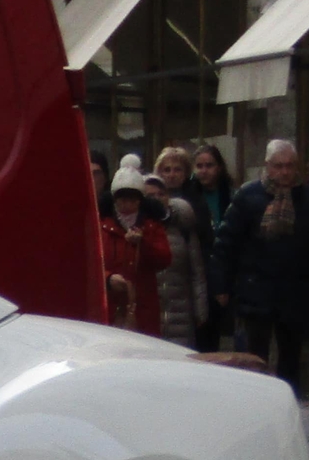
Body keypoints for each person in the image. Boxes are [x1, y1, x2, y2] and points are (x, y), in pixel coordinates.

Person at [211, 138, 309, 404]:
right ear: (268, 166)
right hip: (256, 286)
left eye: (290, 166)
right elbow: (226, 243)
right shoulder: (248, 196)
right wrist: (221, 285)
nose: (284, 172)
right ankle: (257, 404)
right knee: (256, 354)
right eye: (278, 166)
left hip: (296, 288)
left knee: (290, 354)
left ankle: (286, 405)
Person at [144, 145, 209, 349]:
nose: (156, 200)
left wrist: (201, 309)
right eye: (150, 196)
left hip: (180, 312)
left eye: (160, 195)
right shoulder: (139, 228)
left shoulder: (184, 224)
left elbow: (196, 271)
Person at [99, 157, 172, 335]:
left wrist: (143, 244)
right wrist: (108, 279)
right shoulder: (102, 226)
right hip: (110, 311)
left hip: (143, 311)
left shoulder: (151, 226)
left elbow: (164, 259)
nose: (127, 205)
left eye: (133, 200)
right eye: (122, 200)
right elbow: (91, 265)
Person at [189, 143, 235, 347]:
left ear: (219, 167)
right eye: (199, 166)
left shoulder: (232, 196)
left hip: (226, 269)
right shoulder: (189, 195)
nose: (204, 170)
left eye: (209, 165)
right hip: (199, 268)